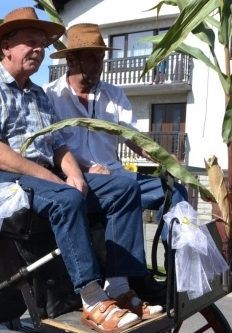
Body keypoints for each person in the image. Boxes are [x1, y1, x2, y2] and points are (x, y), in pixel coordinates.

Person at [0, 7, 162, 333]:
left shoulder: (39, 94)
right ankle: (92, 299)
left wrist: (75, 174)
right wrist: (54, 179)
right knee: (67, 198)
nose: (38, 50)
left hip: (39, 177)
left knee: (124, 186)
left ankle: (121, 286)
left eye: (42, 44)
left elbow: (58, 146)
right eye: (30, 42)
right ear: (6, 47)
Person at [43, 22, 188, 257]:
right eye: (91, 58)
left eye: (101, 58)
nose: (99, 66)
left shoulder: (114, 94)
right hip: (77, 181)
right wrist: (86, 168)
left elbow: (133, 137)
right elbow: (49, 149)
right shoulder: (49, 96)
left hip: (117, 176)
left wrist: (163, 158)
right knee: (125, 188)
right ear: (71, 61)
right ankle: (130, 277)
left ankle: (178, 266)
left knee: (175, 192)